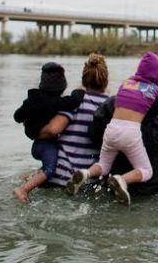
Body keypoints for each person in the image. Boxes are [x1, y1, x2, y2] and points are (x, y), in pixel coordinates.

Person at [66, 52, 158, 205]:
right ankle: (122, 180)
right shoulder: (155, 90)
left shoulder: (126, 83)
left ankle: (86, 173)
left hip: (111, 130)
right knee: (147, 171)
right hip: (130, 134)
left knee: (104, 166)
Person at [34, 54, 111, 189]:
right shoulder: (110, 107)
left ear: (84, 80)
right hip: (90, 182)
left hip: (59, 177)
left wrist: (33, 132)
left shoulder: (74, 102)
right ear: (106, 81)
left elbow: (52, 130)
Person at [12, 62, 83, 202]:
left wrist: (27, 118)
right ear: (62, 87)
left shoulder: (31, 100)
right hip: (45, 145)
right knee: (50, 170)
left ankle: (33, 176)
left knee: (49, 165)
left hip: (38, 144)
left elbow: (17, 116)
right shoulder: (56, 102)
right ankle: (23, 189)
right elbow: (75, 100)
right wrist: (80, 90)